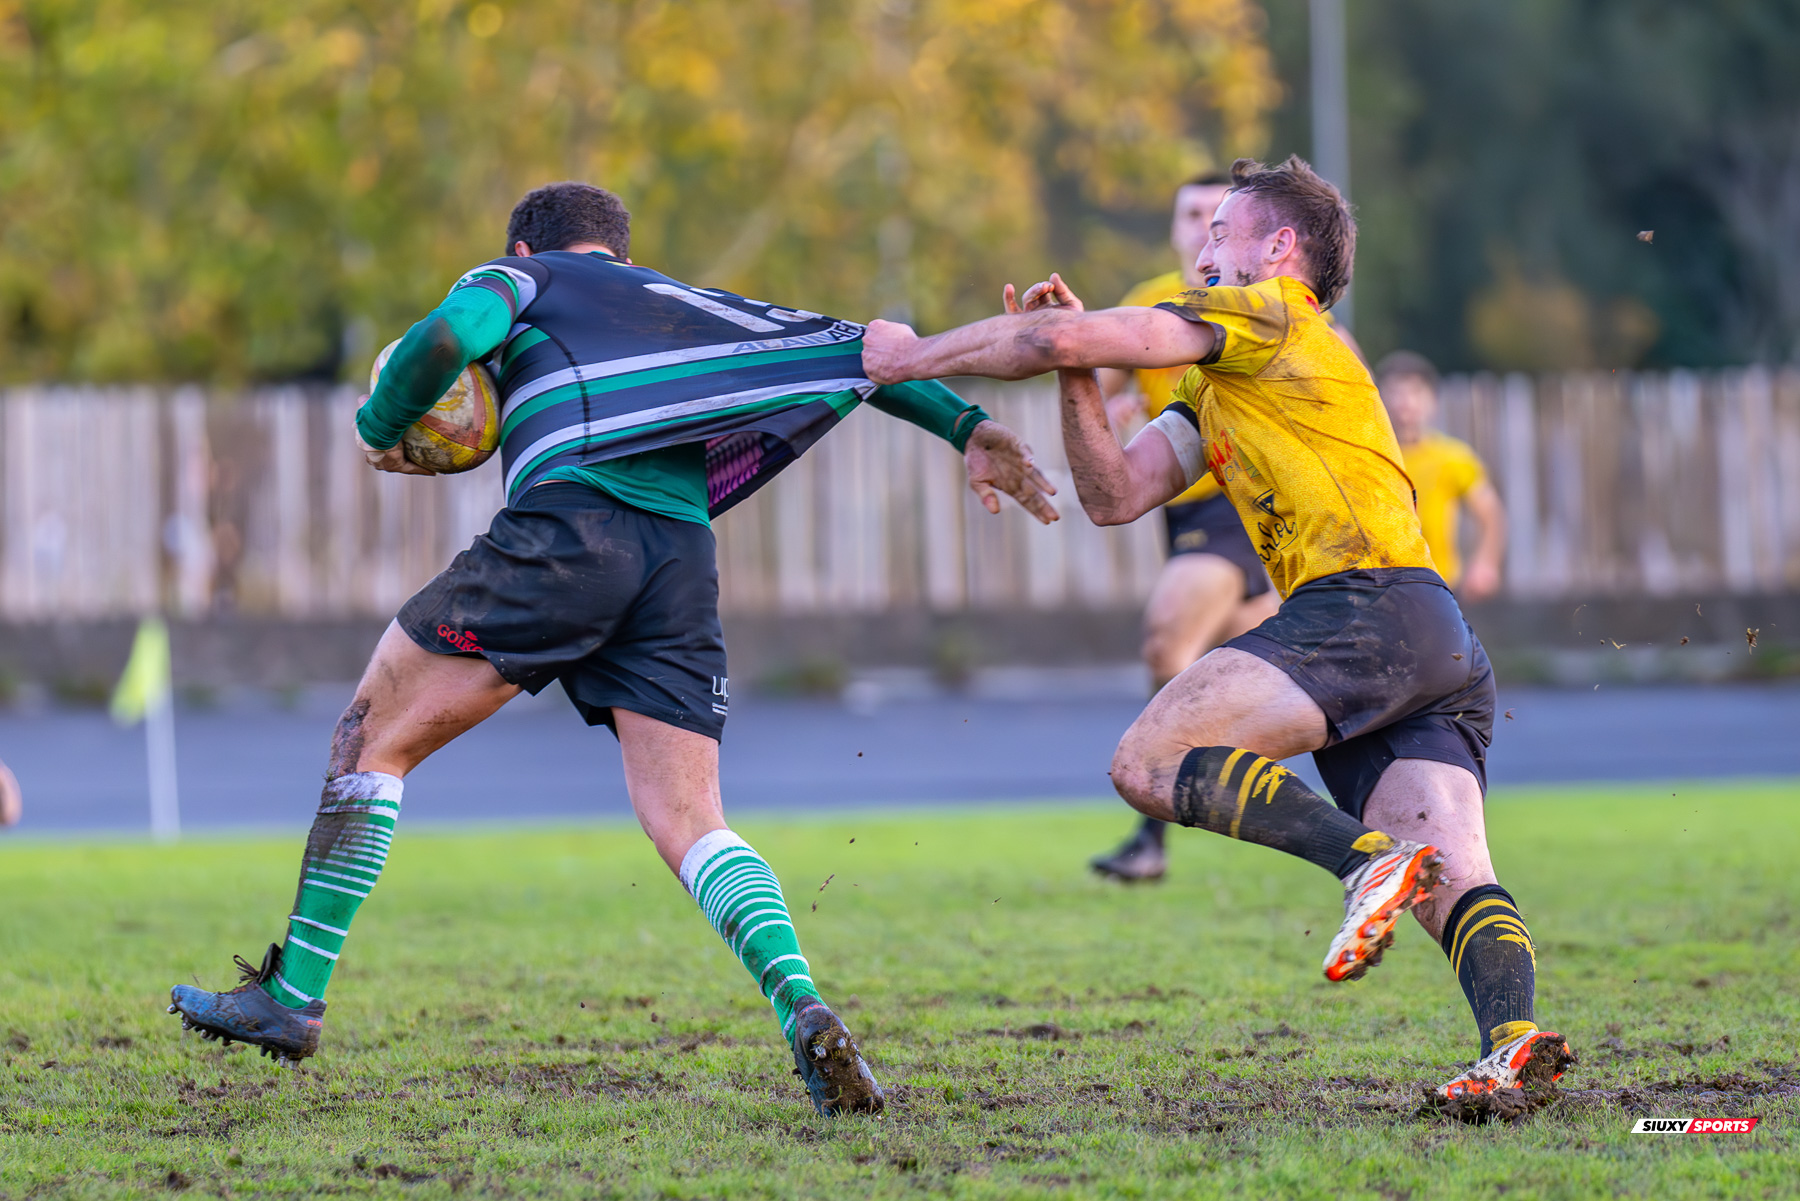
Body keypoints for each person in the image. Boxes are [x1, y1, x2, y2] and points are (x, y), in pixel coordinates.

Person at [165, 181, 1059, 1117]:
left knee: (369, 741)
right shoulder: (689, 306)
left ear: (524, 247)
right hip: (677, 560)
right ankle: (802, 1002)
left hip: (569, 530)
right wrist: (970, 426)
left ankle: (294, 995)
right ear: (624, 257)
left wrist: (380, 423)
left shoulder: (525, 279)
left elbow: (444, 336)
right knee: (691, 819)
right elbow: (873, 356)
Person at [863, 156, 1572, 1118]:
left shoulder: (1273, 312)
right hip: (1427, 634)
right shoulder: (1223, 382)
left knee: (1147, 762)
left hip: (1362, 606)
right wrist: (1079, 369)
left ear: (1279, 247)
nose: (1202, 251)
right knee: (1454, 874)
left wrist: (908, 356)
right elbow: (1115, 493)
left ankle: (1364, 862)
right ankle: (1514, 1044)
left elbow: (1057, 328)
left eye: (1219, 232)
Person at [1375, 351, 1506, 601]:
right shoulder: (1372, 459)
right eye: (1395, 392)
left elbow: (1491, 513)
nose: (1405, 402)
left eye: (1415, 392)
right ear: (1378, 400)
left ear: (1432, 401)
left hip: (1441, 586)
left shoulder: (1452, 457)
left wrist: (1485, 563)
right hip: (1382, 590)